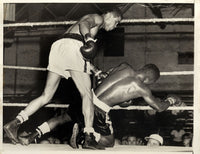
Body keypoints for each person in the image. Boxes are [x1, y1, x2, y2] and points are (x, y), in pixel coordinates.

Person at [3, 8, 123, 150]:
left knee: (46, 95)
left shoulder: (91, 28)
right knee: (87, 94)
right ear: (109, 16)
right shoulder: (99, 18)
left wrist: (96, 71)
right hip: (73, 46)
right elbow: (84, 23)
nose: (115, 27)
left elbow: (79, 55)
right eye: (116, 22)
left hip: (60, 47)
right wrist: (89, 38)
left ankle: (15, 123)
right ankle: (89, 136)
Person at [16, 62, 182, 149]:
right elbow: (159, 107)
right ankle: (85, 134)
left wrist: (124, 102)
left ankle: (31, 137)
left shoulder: (124, 66)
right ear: (149, 80)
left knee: (61, 118)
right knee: (109, 142)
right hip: (99, 110)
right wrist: (171, 100)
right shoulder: (141, 87)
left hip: (86, 98)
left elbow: (104, 78)